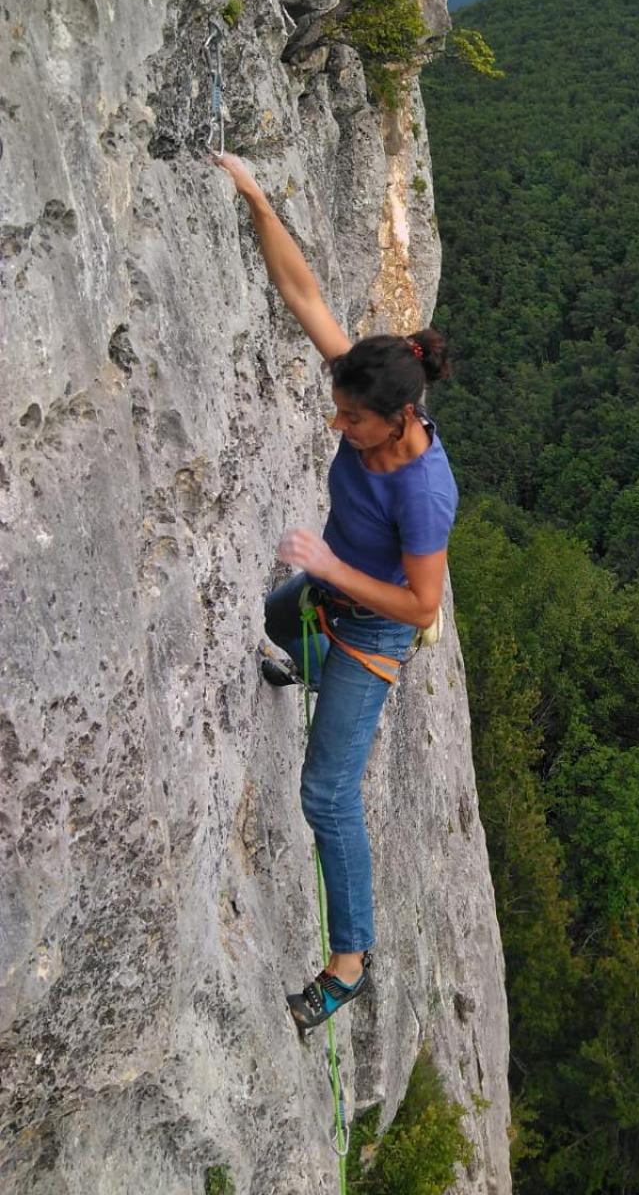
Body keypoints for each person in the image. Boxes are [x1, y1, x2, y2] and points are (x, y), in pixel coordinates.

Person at [212, 151, 458, 1032]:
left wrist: (327, 566)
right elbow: (305, 295)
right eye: (337, 410)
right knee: (276, 620)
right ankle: (299, 660)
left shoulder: (422, 491)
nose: (337, 425)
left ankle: (349, 961)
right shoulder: (367, 388)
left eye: (350, 420)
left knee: (325, 793)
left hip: (376, 632)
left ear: (397, 419)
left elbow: (423, 609)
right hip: (328, 601)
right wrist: (258, 199)